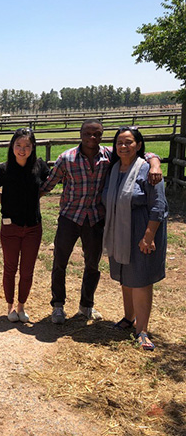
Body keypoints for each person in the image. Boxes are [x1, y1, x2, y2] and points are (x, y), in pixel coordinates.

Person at [41, 119, 162, 324]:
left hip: (96, 219)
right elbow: (48, 184)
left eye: (97, 134)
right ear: (80, 134)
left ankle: (86, 305)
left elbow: (143, 153)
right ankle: (58, 306)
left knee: (93, 264)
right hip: (70, 217)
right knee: (60, 262)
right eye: (88, 133)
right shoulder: (66, 158)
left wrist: (155, 163)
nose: (92, 138)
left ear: (102, 136)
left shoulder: (109, 156)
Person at [102, 126, 168, 351]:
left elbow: (159, 205)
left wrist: (149, 236)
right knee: (126, 276)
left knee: (140, 279)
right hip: (119, 232)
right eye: (119, 142)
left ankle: (142, 330)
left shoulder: (148, 170)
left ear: (138, 145)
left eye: (129, 142)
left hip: (141, 231)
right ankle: (128, 318)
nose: (123, 146)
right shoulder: (113, 169)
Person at [0, 128, 49, 323]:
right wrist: (7, 203)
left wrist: (34, 198)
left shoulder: (39, 166)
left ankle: (21, 306)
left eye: (26, 146)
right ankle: (9, 307)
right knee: (10, 268)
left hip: (33, 227)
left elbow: (46, 185)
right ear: (12, 146)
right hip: (10, 227)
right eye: (18, 145)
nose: (22, 150)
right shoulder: (3, 169)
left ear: (33, 147)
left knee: (27, 270)